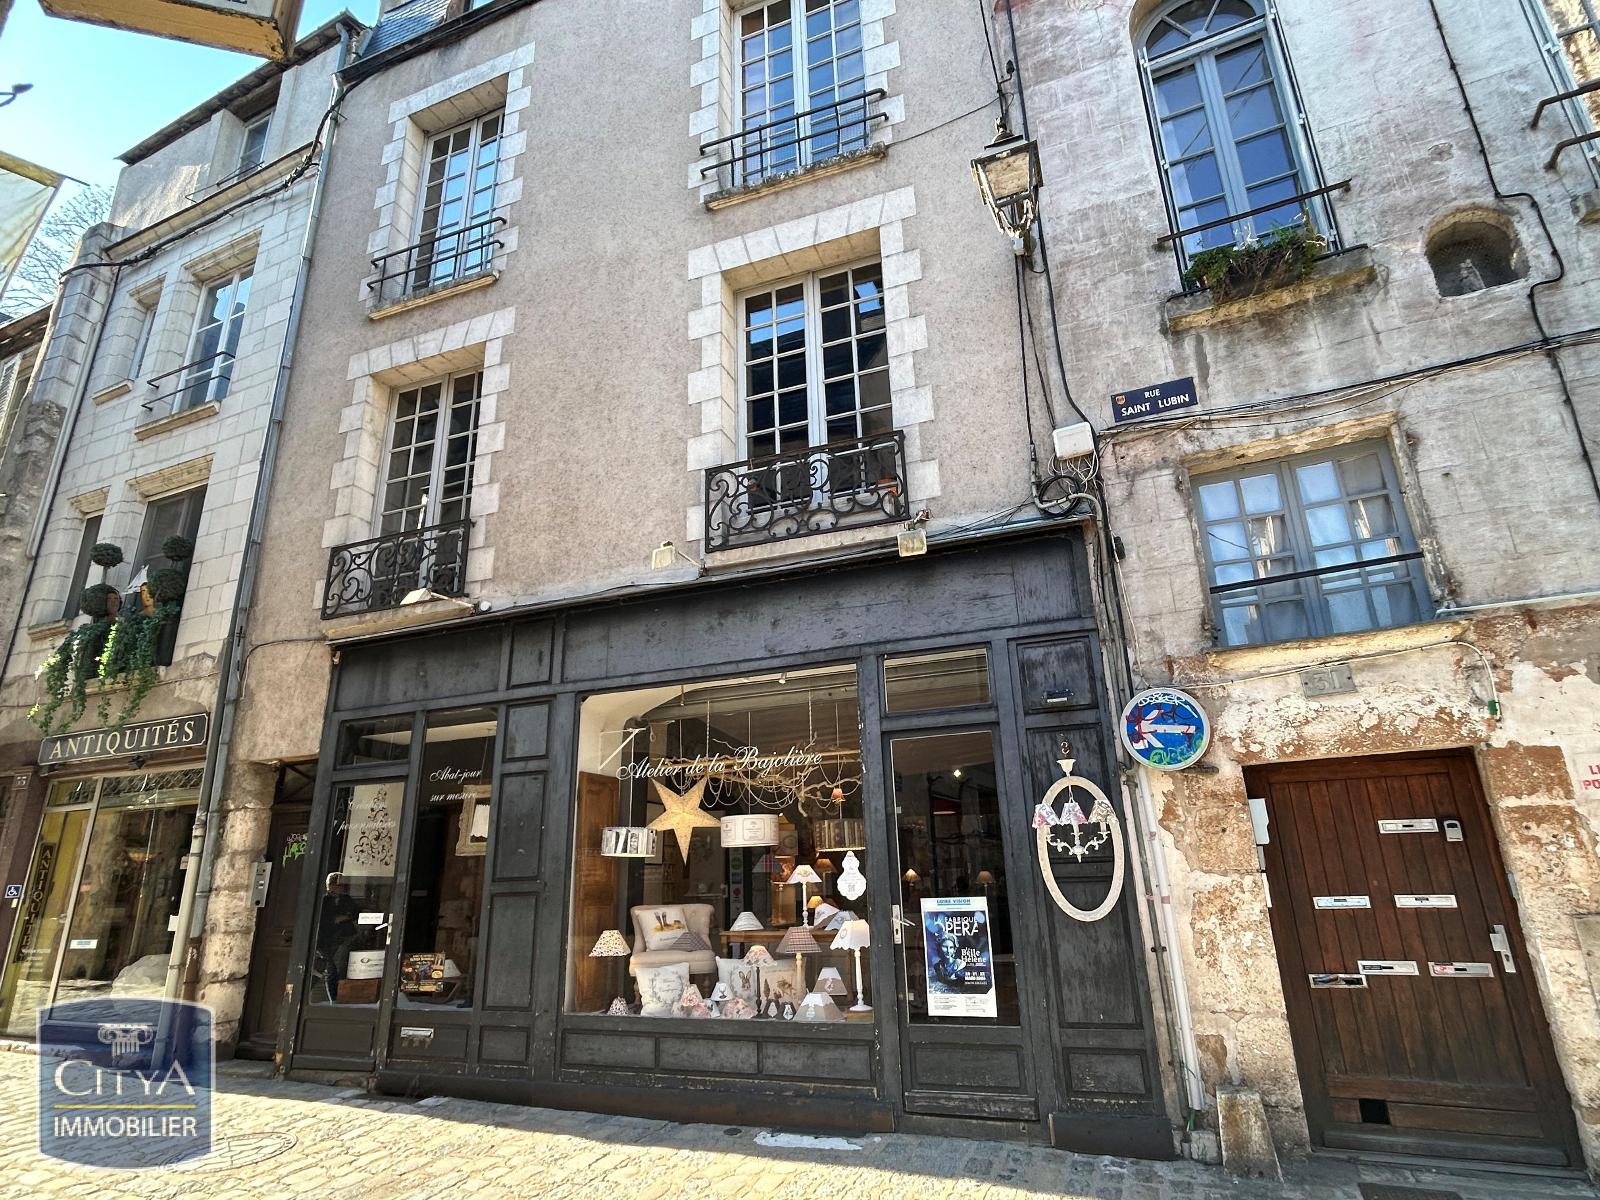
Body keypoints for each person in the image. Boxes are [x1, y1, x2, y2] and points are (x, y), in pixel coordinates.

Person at [315, 872, 361, 1002]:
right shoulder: (323, 900)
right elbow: (321, 919)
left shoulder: (346, 899)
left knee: (342, 967)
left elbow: (356, 912)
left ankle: (341, 995)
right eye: (339, 885)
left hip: (345, 937)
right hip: (327, 939)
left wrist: (345, 917)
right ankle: (333, 998)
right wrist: (334, 919)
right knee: (331, 969)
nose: (341, 888)